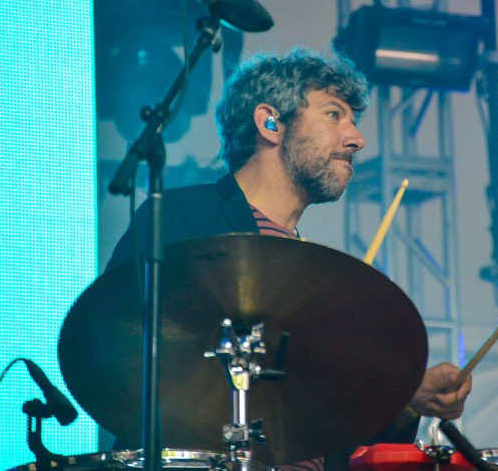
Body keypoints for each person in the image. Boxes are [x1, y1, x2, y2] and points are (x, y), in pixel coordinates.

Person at [106, 47, 472, 469]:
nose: (357, 139)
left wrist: (405, 399)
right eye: (334, 115)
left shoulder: (319, 280)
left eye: (353, 122)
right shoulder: (180, 218)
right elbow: (118, 353)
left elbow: (341, 434)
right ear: (270, 123)